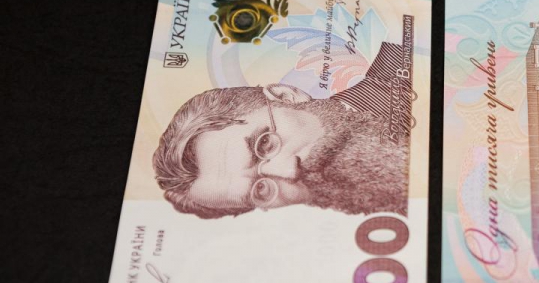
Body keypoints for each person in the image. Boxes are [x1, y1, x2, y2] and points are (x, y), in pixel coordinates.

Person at [152, 41, 413, 219]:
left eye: (265, 144)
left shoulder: (407, 53)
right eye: (261, 190)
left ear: (286, 96)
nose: (289, 172)